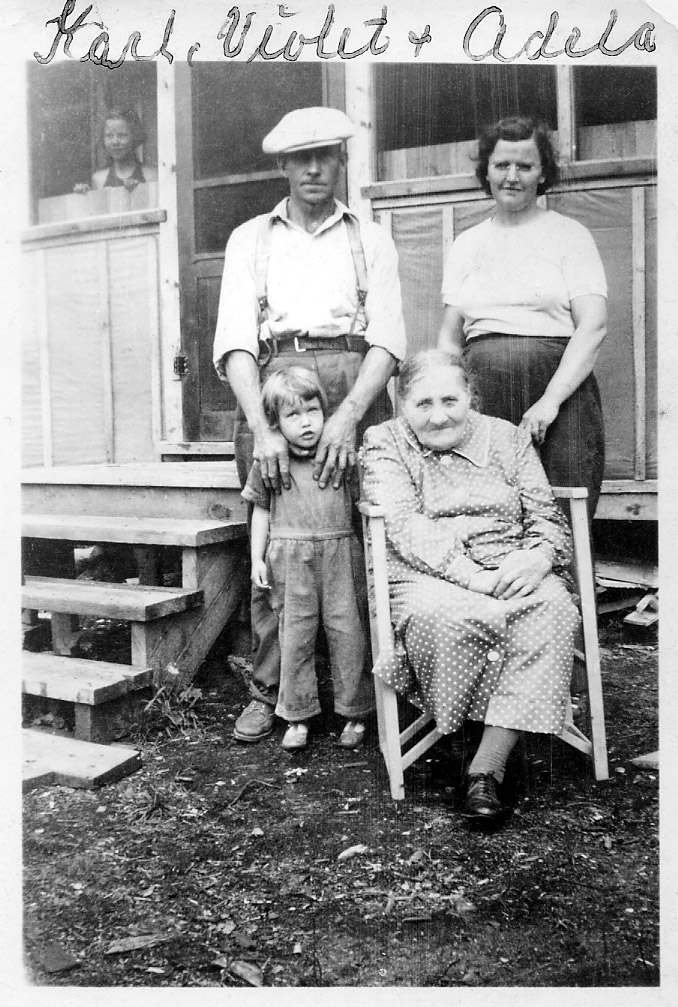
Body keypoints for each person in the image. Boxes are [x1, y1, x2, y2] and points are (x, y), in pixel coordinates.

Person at [212, 106, 407, 743]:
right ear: (283, 166)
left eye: (326, 155)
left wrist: (350, 417)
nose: (315, 168)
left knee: (363, 539)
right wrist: (263, 429)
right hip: (274, 389)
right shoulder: (251, 238)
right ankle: (272, 690)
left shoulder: (370, 238)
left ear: (341, 160)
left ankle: (377, 690)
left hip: (355, 384)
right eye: (302, 158)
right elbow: (237, 342)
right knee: (277, 543)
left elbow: (387, 339)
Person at [360, 350, 580, 826]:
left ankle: (486, 767)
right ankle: (491, 729)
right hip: (428, 571)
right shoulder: (384, 442)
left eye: (450, 400)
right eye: (423, 404)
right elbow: (403, 526)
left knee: (552, 609)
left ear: (470, 398)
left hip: (512, 562)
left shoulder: (507, 437)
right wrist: (473, 578)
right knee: (444, 616)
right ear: (401, 404)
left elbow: (544, 513)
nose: (438, 415)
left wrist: (537, 557)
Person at [438, 115, 607, 519]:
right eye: (501, 165)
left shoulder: (570, 235)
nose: (512, 177)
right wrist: (452, 398)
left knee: (565, 504)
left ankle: (573, 584)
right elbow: (449, 337)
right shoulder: (467, 244)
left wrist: (550, 402)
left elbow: (594, 325)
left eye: (525, 166)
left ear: (542, 172)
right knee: (489, 506)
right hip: (483, 392)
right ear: (487, 171)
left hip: (559, 391)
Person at [242, 367, 373, 750]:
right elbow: (261, 512)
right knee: (294, 637)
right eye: (293, 415)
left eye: (313, 411)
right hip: (289, 560)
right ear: (276, 423)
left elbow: (362, 507)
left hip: (339, 556)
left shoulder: (341, 455)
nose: (306, 423)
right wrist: (257, 559)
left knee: (348, 633)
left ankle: (354, 712)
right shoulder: (269, 461)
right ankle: (296, 715)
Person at [74, 108, 157, 192]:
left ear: (135, 137)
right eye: (109, 136)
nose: (115, 142)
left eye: (122, 135)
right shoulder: (99, 180)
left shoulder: (150, 175)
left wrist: (140, 191)